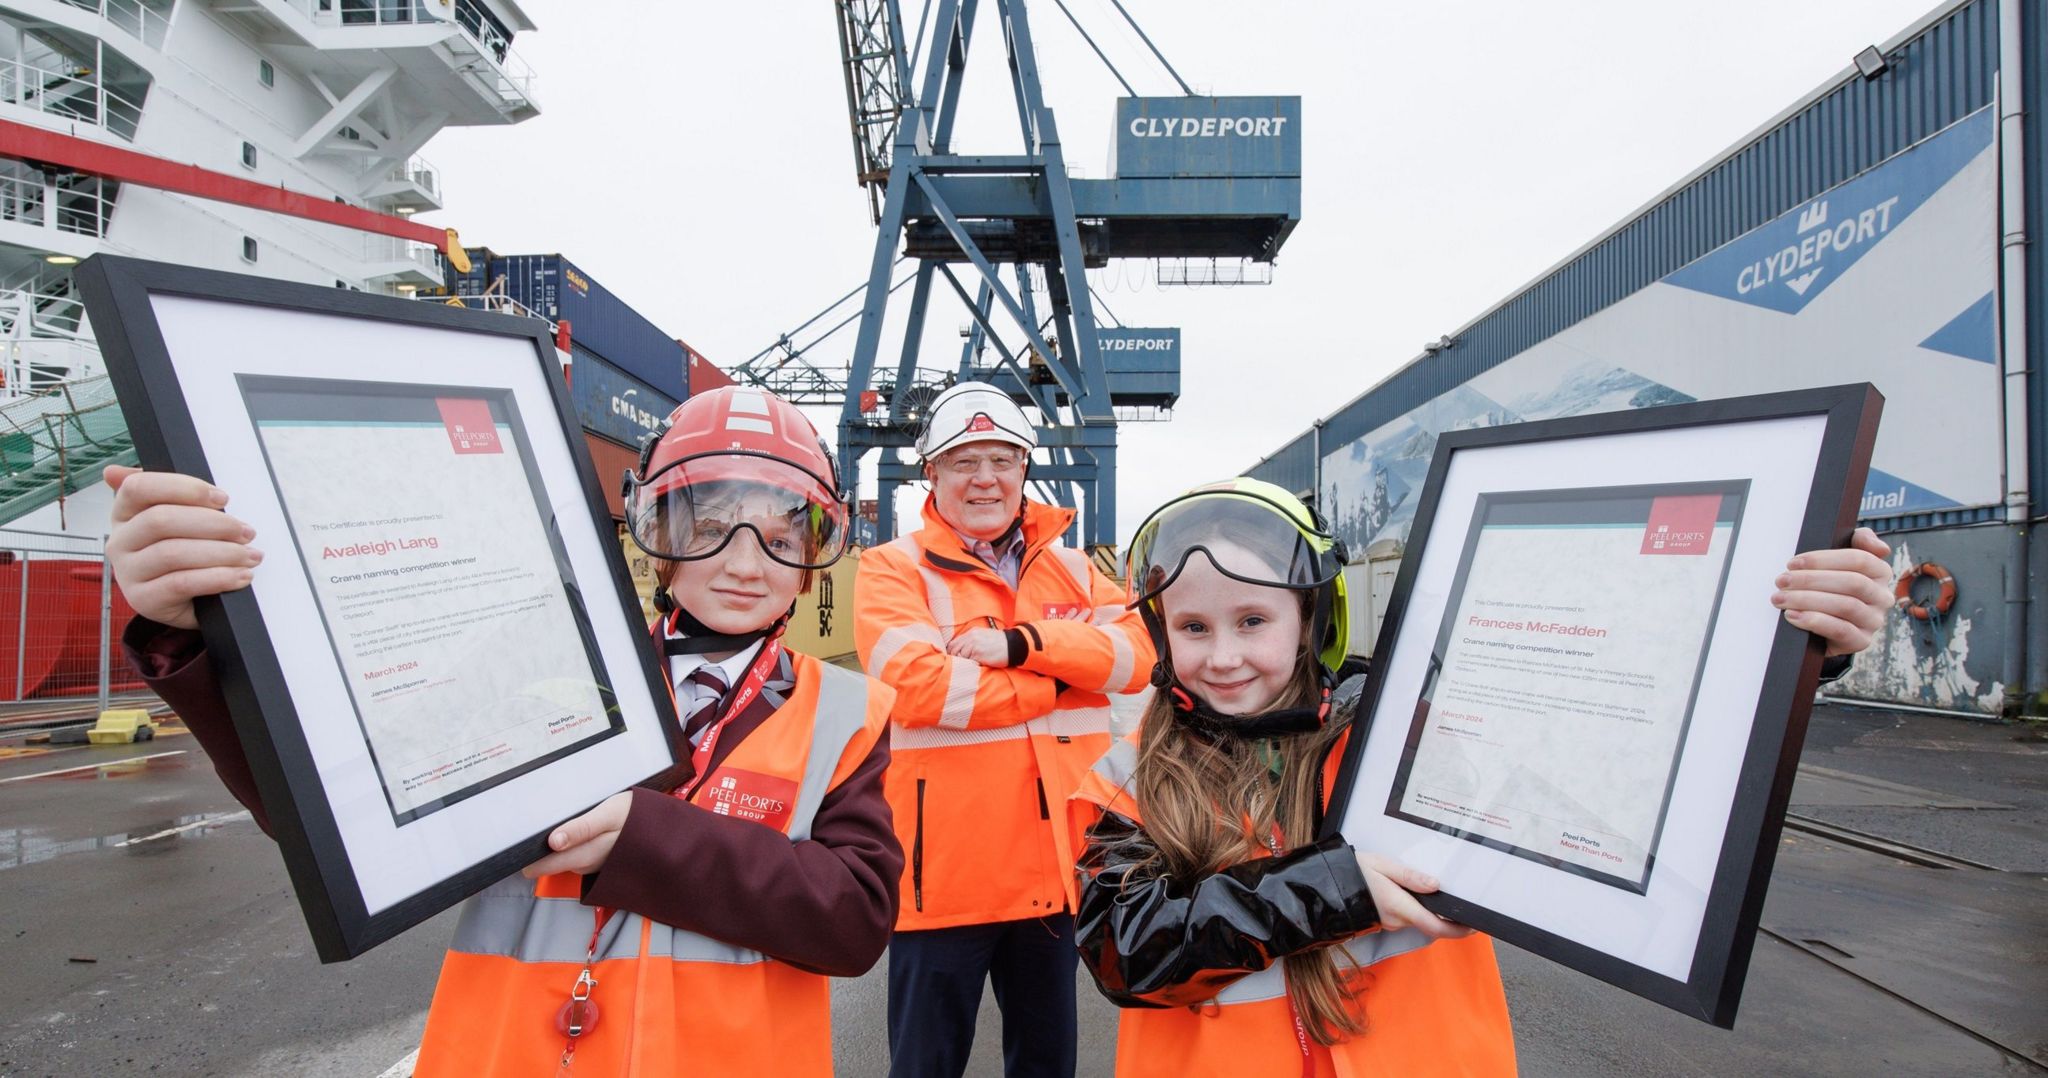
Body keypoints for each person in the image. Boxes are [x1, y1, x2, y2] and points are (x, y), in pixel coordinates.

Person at [106, 386, 901, 1076]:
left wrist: (646, 839)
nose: (743, 561)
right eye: (708, 525)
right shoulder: (545, 666)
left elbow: (855, 920)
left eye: (782, 534)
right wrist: (195, 637)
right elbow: (334, 823)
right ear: (655, 533)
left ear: (813, 556)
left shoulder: (846, 711)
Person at [1071, 478, 1895, 1076]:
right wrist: (1331, 886)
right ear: (1161, 631)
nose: (1222, 655)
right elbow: (1124, 952)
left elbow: (1601, 727)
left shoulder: (1410, 736)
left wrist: (1803, 646)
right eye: (1193, 625)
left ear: (1312, 619)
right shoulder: (1130, 776)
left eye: (1253, 619)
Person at [853, 381, 1156, 1078]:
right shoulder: (891, 570)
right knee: (925, 1064)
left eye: (1000, 459)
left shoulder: (1078, 570)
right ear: (931, 473)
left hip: (1055, 871)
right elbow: (921, 687)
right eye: (963, 461)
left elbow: (1140, 659)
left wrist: (1022, 646)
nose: (984, 478)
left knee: (1047, 1064)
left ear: (1025, 469)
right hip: (946, 879)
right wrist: (1059, 676)